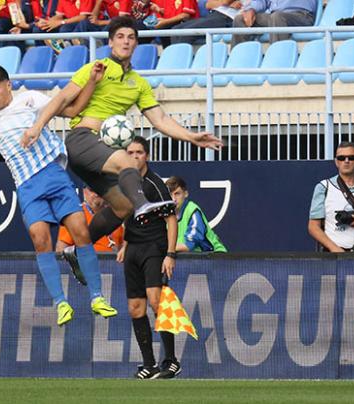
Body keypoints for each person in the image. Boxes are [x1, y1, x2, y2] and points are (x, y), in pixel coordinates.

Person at [23, 16, 222, 256]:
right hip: (82, 140)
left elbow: (160, 119)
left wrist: (191, 137)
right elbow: (63, 98)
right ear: (110, 42)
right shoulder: (96, 69)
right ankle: (143, 206)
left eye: (130, 37)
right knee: (129, 163)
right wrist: (37, 126)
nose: (125, 42)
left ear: (136, 43)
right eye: (120, 37)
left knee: (122, 205)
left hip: (103, 152)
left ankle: (78, 250)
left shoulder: (138, 84)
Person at [0, 64, 118, 326]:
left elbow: (70, 110)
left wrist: (92, 81)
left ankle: (97, 297)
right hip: (26, 185)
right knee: (40, 240)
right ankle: (61, 303)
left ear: (8, 85)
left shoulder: (30, 99)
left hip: (53, 175)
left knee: (81, 231)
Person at [115, 136, 179, 379]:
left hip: (154, 246)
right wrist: (125, 245)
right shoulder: (125, 183)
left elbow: (170, 219)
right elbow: (130, 216)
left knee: (156, 300)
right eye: (129, 152)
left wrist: (170, 254)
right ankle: (149, 364)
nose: (134, 156)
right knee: (135, 307)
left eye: (139, 152)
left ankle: (171, 360)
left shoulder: (155, 183)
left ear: (147, 156)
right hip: (133, 249)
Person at [165, 176, 227, 252]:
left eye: (177, 194)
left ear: (186, 194)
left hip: (215, 257)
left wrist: (161, 249)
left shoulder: (192, 211)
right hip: (189, 259)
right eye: (170, 195)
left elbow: (188, 246)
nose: (173, 199)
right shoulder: (164, 213)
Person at [55, 186, 124, 253]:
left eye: (99, 190)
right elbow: (61, 250)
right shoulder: (74, 215)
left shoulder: (114, 214)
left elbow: (121, 249)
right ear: (84, 192)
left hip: (111, 262)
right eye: (92, 190)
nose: (96, 194)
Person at [231, 0, 317, 46]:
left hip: (301, 15)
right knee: (241, 19)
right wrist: (251, 9)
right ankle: (238, 64)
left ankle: (278, 62)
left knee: (277, 17)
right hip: (275, 16)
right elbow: (261, 2)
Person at [171, 0, 241, 45]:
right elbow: (208, 5)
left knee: (186, 33)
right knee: (175, 29)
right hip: (213, 14)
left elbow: (225, 2)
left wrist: (222, 2)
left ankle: (182, 64)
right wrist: (223, 2)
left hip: (227, 18)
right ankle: (175, 62)